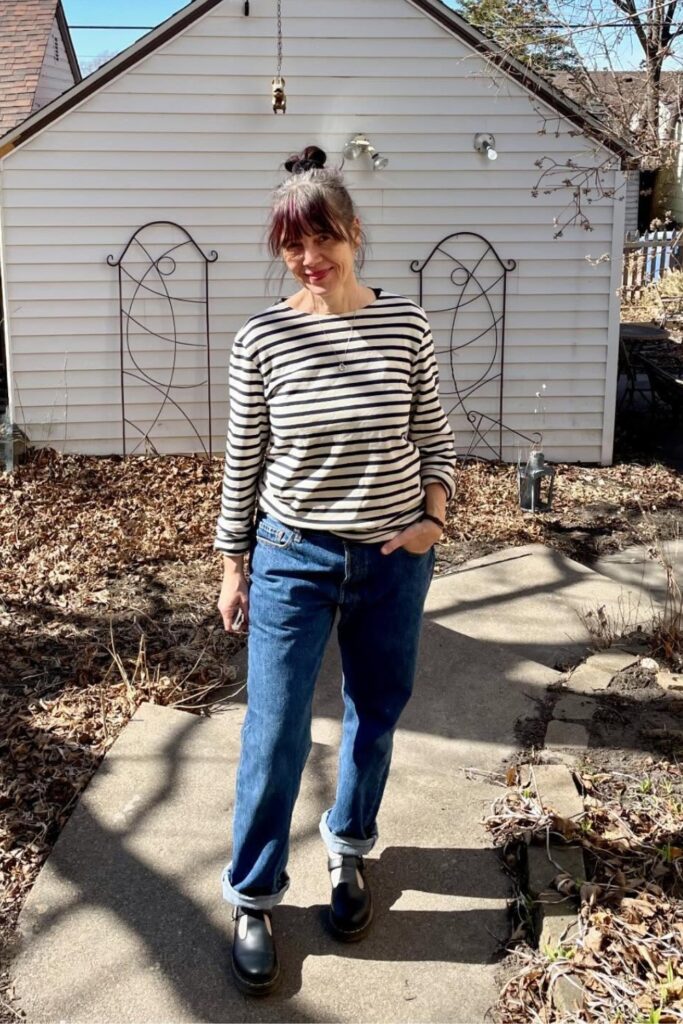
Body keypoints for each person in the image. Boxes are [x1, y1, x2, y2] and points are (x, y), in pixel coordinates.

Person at [215, 145, 456, 996]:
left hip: (392, 560)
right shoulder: (263, 338)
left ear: (354, 234)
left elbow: (435, 437)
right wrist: (232, 563)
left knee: (375, 713)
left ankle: (349, 852)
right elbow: (243, 460)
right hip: (292, 557)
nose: (310, 260)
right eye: (292, 246)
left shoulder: (406, 326)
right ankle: (254, 895)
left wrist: (432, 519)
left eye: (323, 240)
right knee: (274, 730)